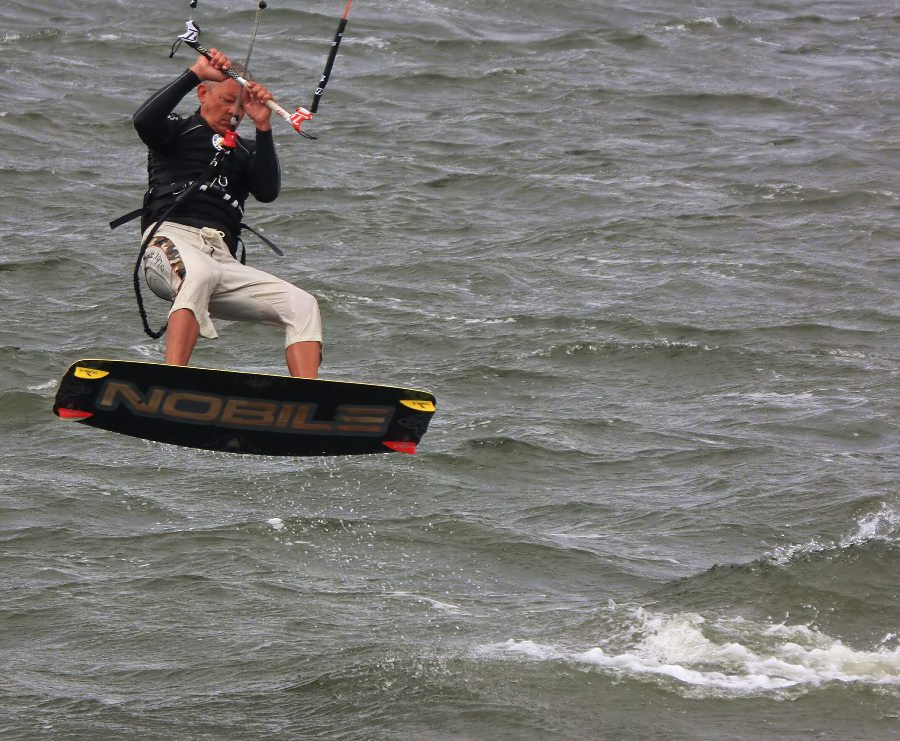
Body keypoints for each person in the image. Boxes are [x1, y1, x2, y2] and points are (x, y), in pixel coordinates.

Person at [132, 48, 322, 378]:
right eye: (226, 101)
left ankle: (309, 401)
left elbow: (267, 191)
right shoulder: (177, 131)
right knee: (200, 274)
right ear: (204, 93)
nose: (233, 113)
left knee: (303, 305)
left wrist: (263, 127)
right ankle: (172, 381)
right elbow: (143, 120)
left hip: (222, 259)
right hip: (168, 243)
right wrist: (196, 72)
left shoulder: (246, 150)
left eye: (241, 108)